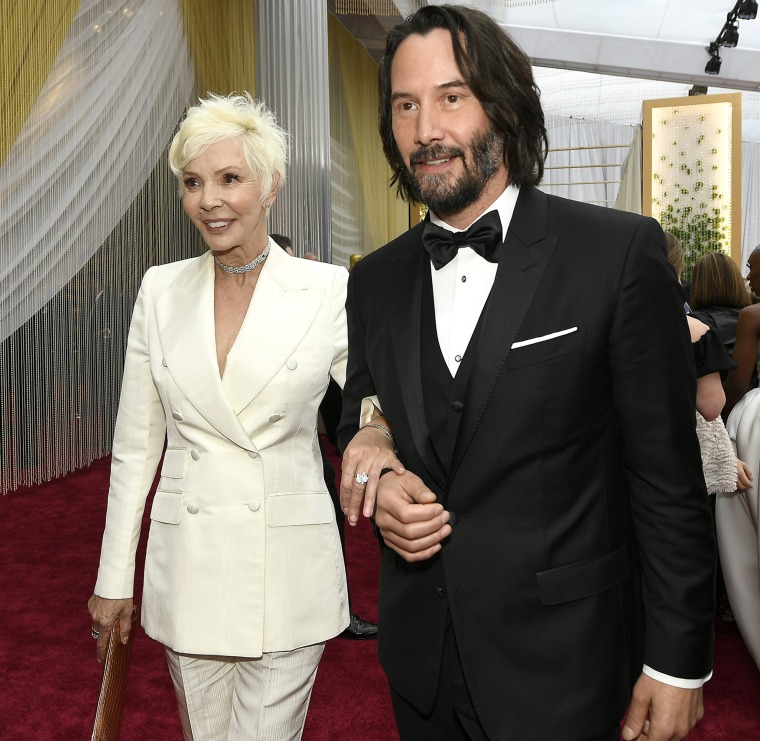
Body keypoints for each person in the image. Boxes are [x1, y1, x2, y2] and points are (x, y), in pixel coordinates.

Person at [337, 6, 715, 741]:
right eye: (405, 106)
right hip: (423, 669)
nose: (425, 130)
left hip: (565, 666)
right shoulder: (375, 281)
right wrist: (375, 467)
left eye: (452, 97)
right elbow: (358, 408)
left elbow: (667, 483)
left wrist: (677, 663)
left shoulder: (614, 254)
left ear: (504, 109)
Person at [87, 92, 398, 740]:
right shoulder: (158, 289)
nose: (210, 200)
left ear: (271, 184)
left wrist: (374, 426)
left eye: (230, 178)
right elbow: (136, 444)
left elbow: (382, 391)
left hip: (287, 568)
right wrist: (114, 574)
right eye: (193, 182)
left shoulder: (327, 291)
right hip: (190, 564)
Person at [270, 232, 379, 640]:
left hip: (312, 449)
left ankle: (336, 609)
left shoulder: (319, 308)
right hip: (273, 456)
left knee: (328, 524)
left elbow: (353, 379)